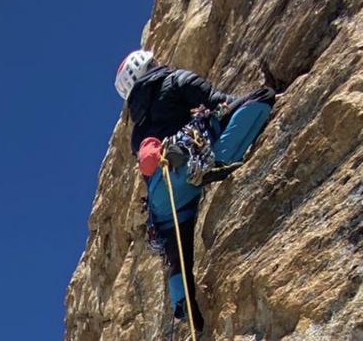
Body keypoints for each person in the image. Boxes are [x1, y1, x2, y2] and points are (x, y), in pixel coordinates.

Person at [115, 50, 276, 332]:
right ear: (149, 67)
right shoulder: (176, 80)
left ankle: (183, 303)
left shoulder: (137, 132)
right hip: (187, 162)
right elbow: (219, 102)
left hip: (160, 195)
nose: (158, 63)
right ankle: (221, 160)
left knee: (177, 243)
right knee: (262, 98)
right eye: (153, 62)